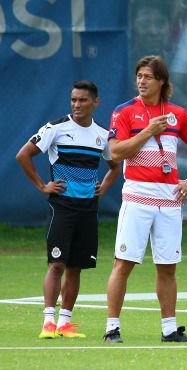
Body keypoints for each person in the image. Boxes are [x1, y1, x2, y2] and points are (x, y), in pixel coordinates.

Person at [104, 56, 187, 343]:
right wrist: (149, 131)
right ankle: (112, 328)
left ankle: (169, 330)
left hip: (170, 199)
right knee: (123, 263)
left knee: (167, 266)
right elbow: (115, 152)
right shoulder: (124, 111)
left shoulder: (178, 114)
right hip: (138, 196)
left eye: (148, 76)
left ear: (162, 80)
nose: (142, 81)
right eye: (139, 75)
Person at [16, 81, 120, 339]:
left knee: (76, 267)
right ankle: (48, 322)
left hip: (87, 210)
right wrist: (43, 186)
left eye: (82, 100)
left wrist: (103, 188)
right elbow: (23, 155)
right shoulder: (56, 128)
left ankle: (65, 324)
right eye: (73, 100)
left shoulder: (102, 135)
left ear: (96, 102)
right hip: (62, 208)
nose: (76, 105)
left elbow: (115, 166)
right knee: (57, 264)